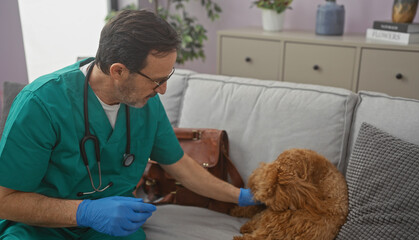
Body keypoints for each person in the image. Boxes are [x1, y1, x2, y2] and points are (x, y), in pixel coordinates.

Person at [0, 9, 258, 240]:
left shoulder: (146, 104)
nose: (164, 90)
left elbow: (181, 166)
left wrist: (241, 196)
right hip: (38, 227)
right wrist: (85, 212)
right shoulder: (41, 104)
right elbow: (5, 201)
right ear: (118, 71)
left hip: (112, 229)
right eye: (157, 80)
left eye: (168, 77)